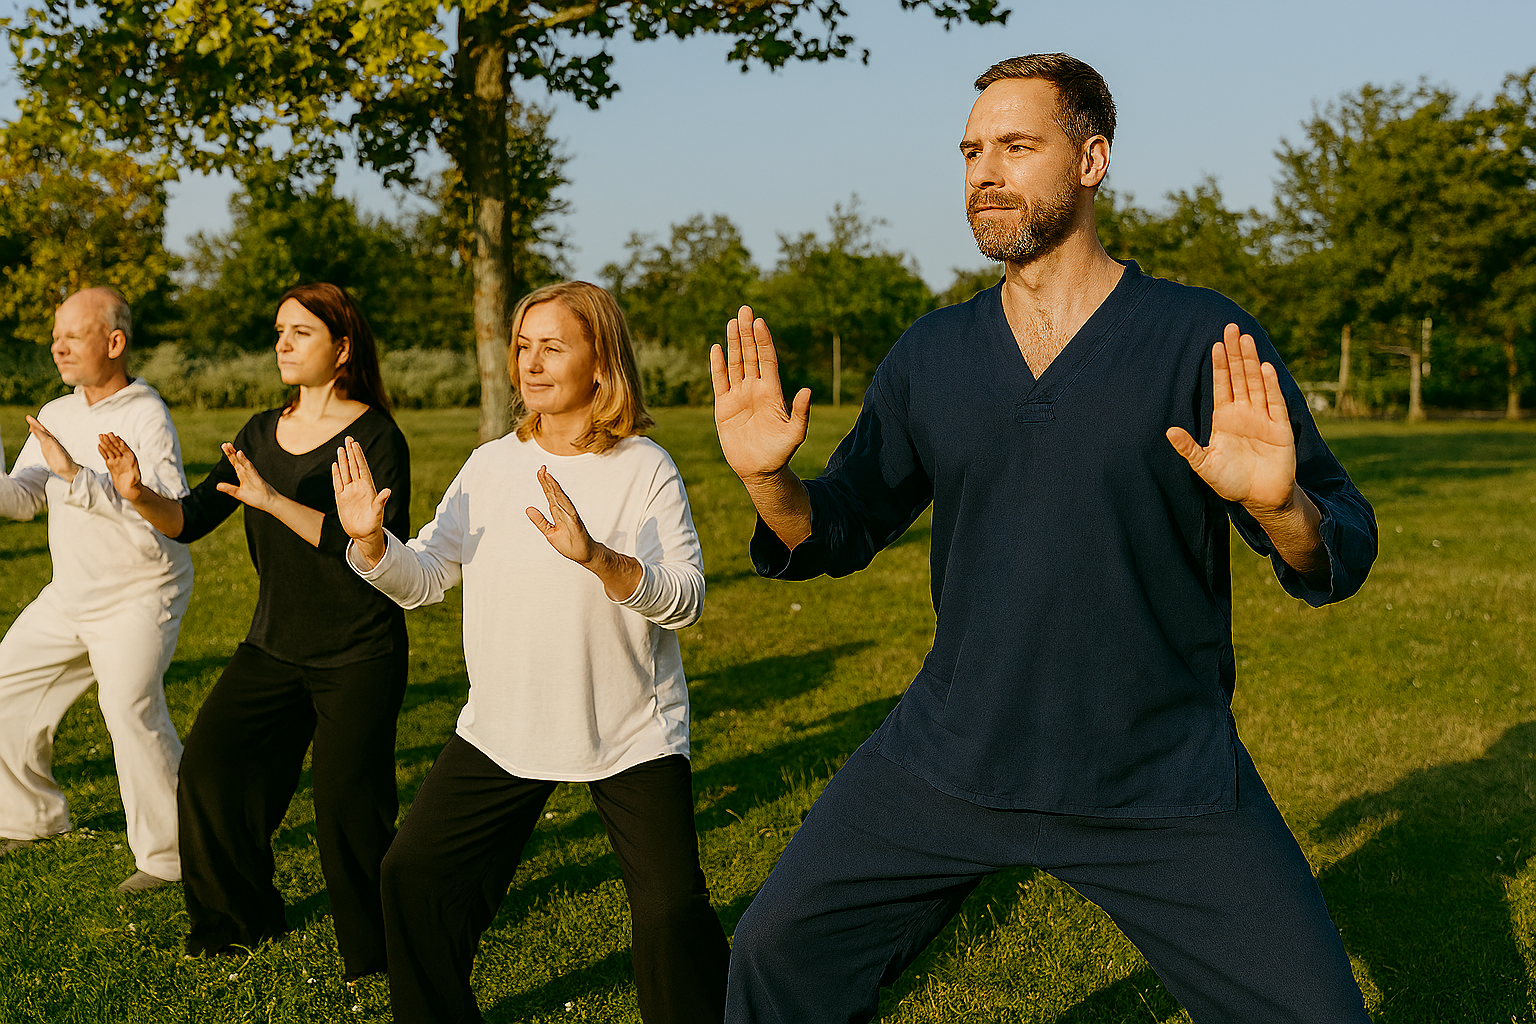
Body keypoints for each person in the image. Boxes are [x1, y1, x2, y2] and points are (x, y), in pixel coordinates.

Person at [714, 54, 1379, 1024]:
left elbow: (1338, 545)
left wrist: (1279, 507)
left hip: (1157, 774)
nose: (985, 171)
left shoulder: (1203, 338)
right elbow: (834, 530)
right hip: (951, 756)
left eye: (1017, 146)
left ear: (1092, 160)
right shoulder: (930, 356)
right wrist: (770, 478)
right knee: (778, 957)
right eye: (972, 151)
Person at [333, 280, 730, 1023]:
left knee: (673, 915)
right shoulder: (490, 465)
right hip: (504, 728)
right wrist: (370, 543)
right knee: (412, 878)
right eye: (523, 346)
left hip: (628, 734)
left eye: (554, 346)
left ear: (602, 363)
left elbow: (687, 596)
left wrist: (599, 559)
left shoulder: (644, 467)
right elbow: (427, 578)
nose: (532, 363)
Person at [98, 282, 410, 980]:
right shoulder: (258, 434)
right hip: (275, 644)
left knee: (347, 810)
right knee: (209, 774)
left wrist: (273, 500)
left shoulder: (377, 436)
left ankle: (378, 952)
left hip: (359, 650)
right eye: (278, 331)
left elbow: (375, 547)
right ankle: (237, 922)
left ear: (343, 348)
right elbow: (191, 520)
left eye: (300, 332)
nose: (282, 344)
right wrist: (139, 494)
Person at [0, 286, 192, 893]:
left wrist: (76, 475)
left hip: (140, 590)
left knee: (130, 707)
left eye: (73, 335)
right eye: (55, 335)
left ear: (114, 342)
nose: (58, 347)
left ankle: (173, 857)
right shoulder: (57, 414)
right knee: (7, 684)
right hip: (72, 592)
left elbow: (162, 511)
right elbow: (26, 498)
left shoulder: (145, 415)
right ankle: (29, 818)